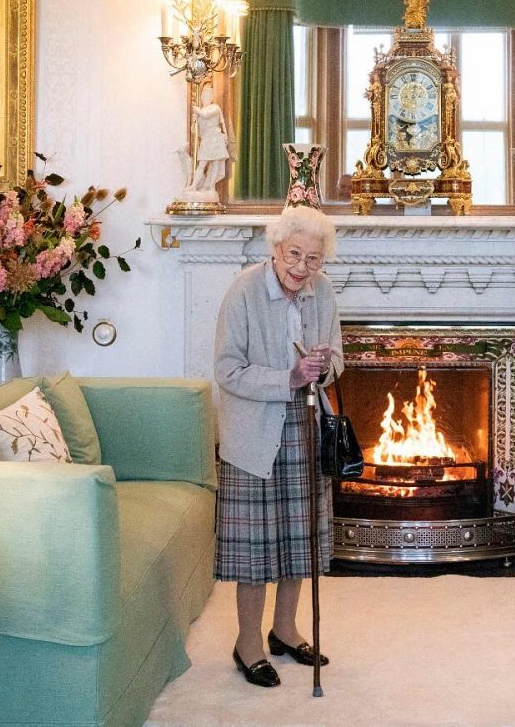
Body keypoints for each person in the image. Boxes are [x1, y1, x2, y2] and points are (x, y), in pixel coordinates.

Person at [213, 206, 343, 689]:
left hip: (306, 425)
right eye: (294, 255)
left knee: (297, 537)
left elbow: (338, 359)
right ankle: (248, 642)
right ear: (275, 248)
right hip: (254, 431)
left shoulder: (322, 290)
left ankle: (284, 630)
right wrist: (287, 377)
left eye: (313, 258)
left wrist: (323, 367)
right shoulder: (245, 290)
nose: (302, 268)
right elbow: (226, 370)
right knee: (257, 547)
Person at [190, 84, 233, 193]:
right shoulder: (200, 112)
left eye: (208, 96)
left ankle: (211, 187)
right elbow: (195, 131)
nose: (205, 98)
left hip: (215, 138)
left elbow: (205, 115)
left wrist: (197, 111)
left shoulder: (215, 108)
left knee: (215, 164)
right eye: (204, 96)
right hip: (206, 139)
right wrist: (194, 120)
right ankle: (193, 185)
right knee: (202, 164)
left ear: (211, 98)